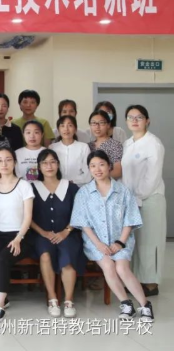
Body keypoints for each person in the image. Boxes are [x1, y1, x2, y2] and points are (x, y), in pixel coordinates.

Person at [70, 150, 154, 322]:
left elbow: (130, 219)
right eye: (93, 166)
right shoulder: (83, 193)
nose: (97, 169)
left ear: (109, 166)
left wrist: (120, 243)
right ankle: (126, 304)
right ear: (89, 169)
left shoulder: (123, 191)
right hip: (95, 242)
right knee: (108, 266)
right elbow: (83, 223)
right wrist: (99, 244)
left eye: (101, 164)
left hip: (121, 239)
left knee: (122, 268)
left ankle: (145, 304)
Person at [29, 149, 84, 319]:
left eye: (53, 162)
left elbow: (79, 213)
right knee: (45, 254)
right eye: (44, 163)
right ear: (39, 167)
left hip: (68, 234)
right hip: (41, 235)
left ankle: (69, 300)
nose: (49, 166)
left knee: (67, 256)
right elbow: (26, 217)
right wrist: (43, 233)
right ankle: (52, 298)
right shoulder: (32, 188)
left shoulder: (71, 187)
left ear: (58, 165)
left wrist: (66, 231)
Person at [0, 147, 34, 321]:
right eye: (0, 160)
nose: (4, 164)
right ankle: (2, 297)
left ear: (14, 162)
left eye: (8, 159)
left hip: (21, 234)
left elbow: (28, 216)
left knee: (1, 260)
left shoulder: (24, 185)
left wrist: (18, 239)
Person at [122, 105, 166, 297]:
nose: (134, 120)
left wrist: (137, 197)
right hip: (132, 200)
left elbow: (152, 177)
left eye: (139, 117)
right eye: (130, 117)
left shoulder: (153, 143)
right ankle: (137, 280)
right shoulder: (127, 143)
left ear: (147, 121)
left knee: (150, 242)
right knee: (136, 242)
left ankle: (151, 284)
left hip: (150, 199)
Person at [50, 116, 91, 184]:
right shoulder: (52, 148)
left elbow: (88, 173)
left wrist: (73, 181)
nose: (66, 129)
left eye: (70, 125)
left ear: (75, 129)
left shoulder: (84, 147)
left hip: (78, 186)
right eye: (62, 126)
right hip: (57, 186)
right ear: (58, 130)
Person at [88, 110, 123, 179]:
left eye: (101, 123)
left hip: (108, 183)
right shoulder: (88, 146)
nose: (97, 126)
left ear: (108, 125)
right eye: (94, 123)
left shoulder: (115, 145)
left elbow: (117, 171)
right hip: (89, 184)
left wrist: (99, 178)